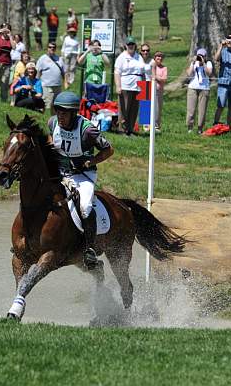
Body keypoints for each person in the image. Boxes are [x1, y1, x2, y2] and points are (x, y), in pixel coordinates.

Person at [47, 91, 114, 268]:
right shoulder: (52, 123)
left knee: (85, 207)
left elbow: (109, 150)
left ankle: (90, 248)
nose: (60, 116)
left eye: (64, 113)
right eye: (58, 112)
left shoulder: (88, 130)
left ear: (73, 113)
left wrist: (92, 160)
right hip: (61, 173)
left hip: (83, 175)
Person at [114, 36, 152, 136]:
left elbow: (143, 71)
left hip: (137, 86)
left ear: (135, 46)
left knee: (134, 109)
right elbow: (117, 72)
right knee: (124, 108)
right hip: (126, 85)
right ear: (126, 46)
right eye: (129, 44)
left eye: (132, 44)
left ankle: (130, 129)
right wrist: (118, 86)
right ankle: (122, 129)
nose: (131, 46)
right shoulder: (122, 57)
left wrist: (144, 85)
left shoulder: (138, 57)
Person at [186, 48, 213, 134]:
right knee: (191, 110)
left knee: (202, 110)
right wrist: (193, 63)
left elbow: (209, 73)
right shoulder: (194, 63)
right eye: (199, 55)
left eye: (202, 56)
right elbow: (189, 74)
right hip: (192, 88)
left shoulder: (208, 63)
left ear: (205, 57)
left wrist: (204, 63)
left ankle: (200, 129)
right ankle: (190, 128)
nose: (200, 57)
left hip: (204, 88)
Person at [36, 41, 65, 115]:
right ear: (47, 48)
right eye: (50, 47)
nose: (52, 49)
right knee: (45, 104)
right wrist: (37, 85)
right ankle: (41, 117)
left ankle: (54, 119)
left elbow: (63, 71)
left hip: (57, 85)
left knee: (56, 104)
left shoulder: (59, 59)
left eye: (53, 47)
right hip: (46, 85)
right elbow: (38, 72)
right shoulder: (42, 58)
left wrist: (65, 81)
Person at [151, 51, 167, 133]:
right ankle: (146, 126)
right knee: (147, 107)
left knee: (157, 109)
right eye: (157, 56)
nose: (159, 58)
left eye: (161, 56)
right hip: (149, 89)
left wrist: (155, 76)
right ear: (154, 57)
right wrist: (157, 78)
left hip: (159, 90)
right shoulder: (151, 66)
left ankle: (156, 126)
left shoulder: (164, 68)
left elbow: (163, 80)